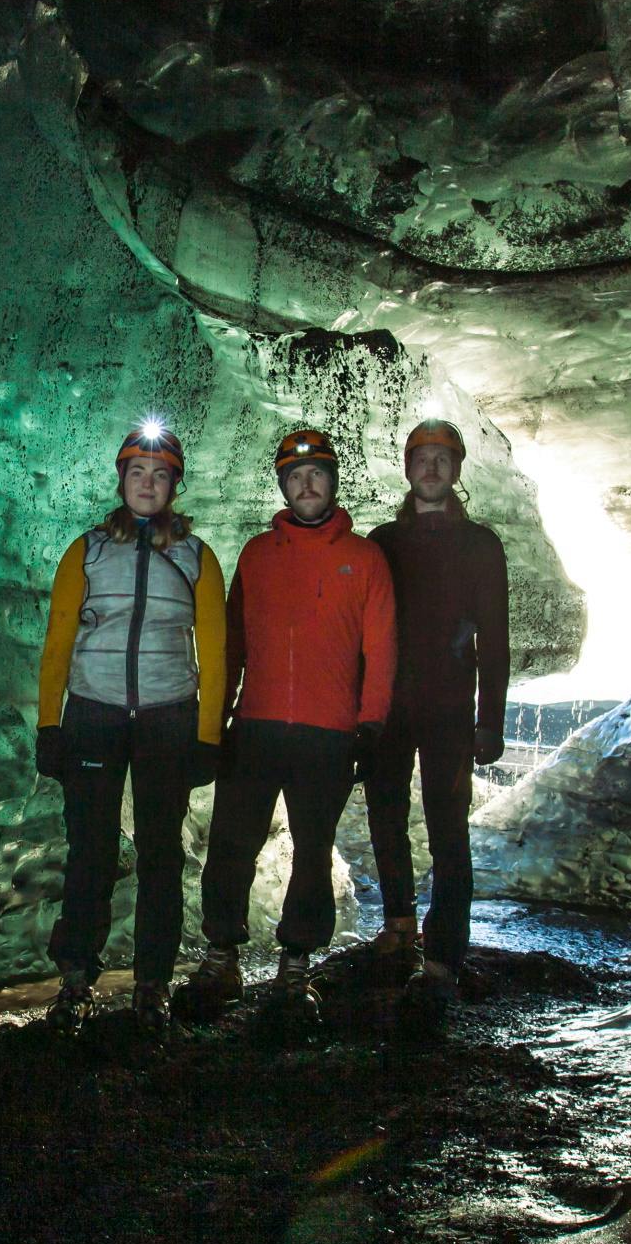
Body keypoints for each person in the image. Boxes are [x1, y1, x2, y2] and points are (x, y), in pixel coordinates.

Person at [179, 428, 395, 1024]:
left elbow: (382, 649)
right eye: (295, 476)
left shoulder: (365, 559)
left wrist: (371, 725)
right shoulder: (257, 554)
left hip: (330, 733)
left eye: (316, 473)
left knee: (313, 850)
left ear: (332, 482)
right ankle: (221, 959)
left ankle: (295, 966)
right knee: (231, 845)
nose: (306, 484)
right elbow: (232, 644)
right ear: (283, 486)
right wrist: (217, 720)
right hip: (256, 726)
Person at [33, 422, 227, 1039]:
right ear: (122, 481)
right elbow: (58, 641)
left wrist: (209, 735)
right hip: (95, 713)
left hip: (168, 717)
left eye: (160, 474)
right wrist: (49, 722)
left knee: (160, 854)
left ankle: (152, 984)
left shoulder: (197, 556)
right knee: (90, 851)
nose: (148, 483)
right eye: (138, 473)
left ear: (174, 485)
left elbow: (215, 651)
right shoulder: (86, 551)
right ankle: (76, 980)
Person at [364, 418, 509, 1028]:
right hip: (390, 706)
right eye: (422, 458)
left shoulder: (480, 545)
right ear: (407, 468)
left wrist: (489, 720)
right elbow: (363, 632)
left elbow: (494, 639)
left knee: (449, 829)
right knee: (386, 813)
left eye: (442, 459)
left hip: (450, 709)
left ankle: (443, 954)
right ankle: (399, 923)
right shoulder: (382, 542)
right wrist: (362, 711)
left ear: (455, 470)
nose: (431, 467)